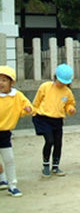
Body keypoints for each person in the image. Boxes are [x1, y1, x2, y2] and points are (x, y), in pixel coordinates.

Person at [32, 63, 76, 178]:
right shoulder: (45, 87)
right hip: (43, 118)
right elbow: (37, 101)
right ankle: (46, 165)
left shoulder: (67, 92)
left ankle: (55, 166)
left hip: (58, 120)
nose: (62, 84)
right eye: (60, 81)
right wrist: (34, 111)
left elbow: (69, 104)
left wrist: (70, 109)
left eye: (65, 82)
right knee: (49, 140)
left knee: (58, 143)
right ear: (55, 77)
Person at [0, 66, 33, 197]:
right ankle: (2, 178)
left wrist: (28, 109)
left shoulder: (17, 95)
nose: (1, 83)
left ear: (11, 82)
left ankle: (12, 185)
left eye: (4, 80)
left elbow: (27, 105)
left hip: (5, 132)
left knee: (9, 159)